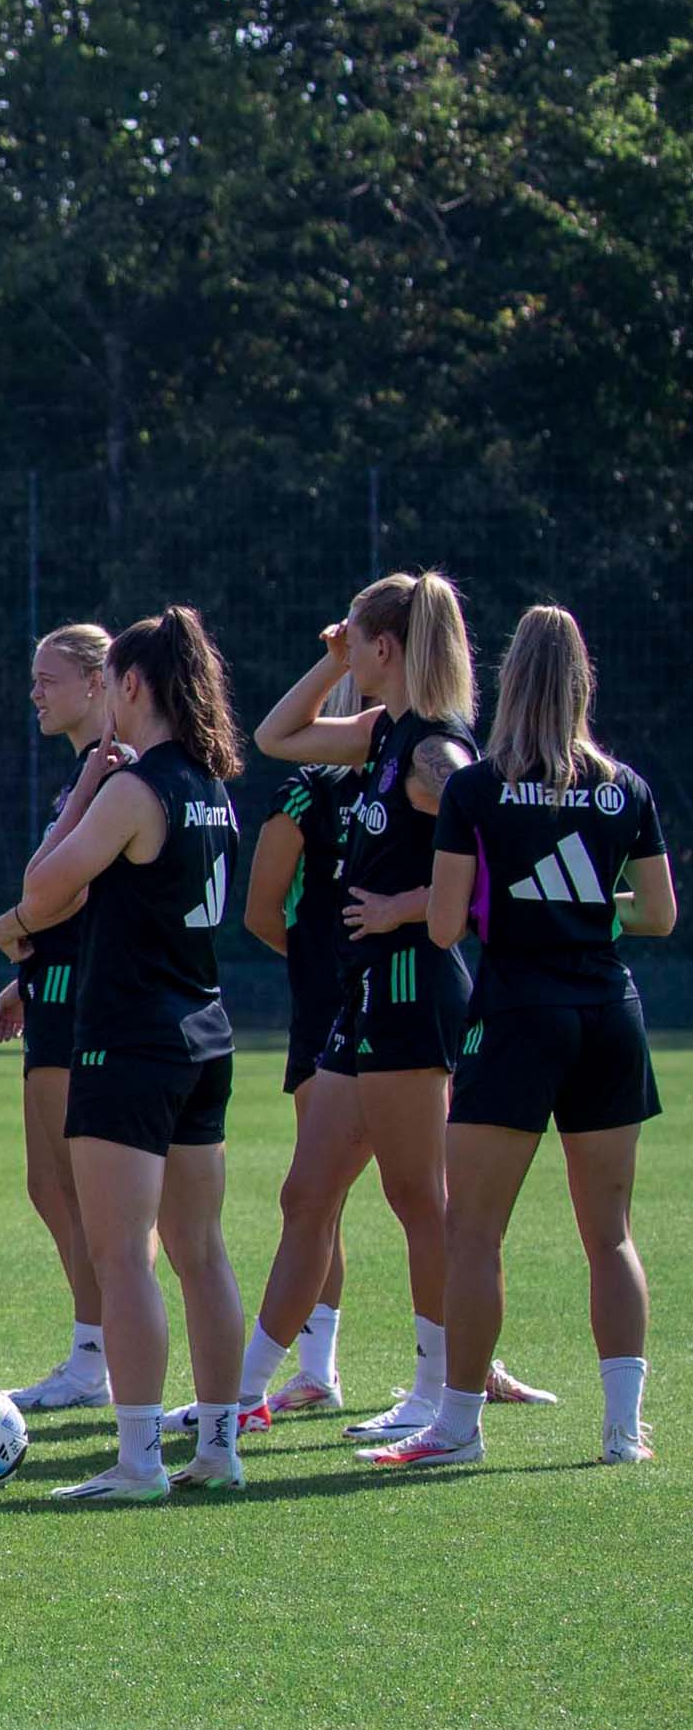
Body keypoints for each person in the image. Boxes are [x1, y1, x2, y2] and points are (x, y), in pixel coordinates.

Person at [253, 571, 548, 1440]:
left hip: (415, 987)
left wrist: (405, 905)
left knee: (419, 1198)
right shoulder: (384, 730)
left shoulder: (432, 751)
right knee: (307, 1192)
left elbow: (489, 856)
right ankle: (241, 1394)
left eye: (354, 635)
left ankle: (437, 1391)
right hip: (365, 991)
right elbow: (278, 736)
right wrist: (332, 660)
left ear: (389, 645)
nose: (344, 646)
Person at [374, 606, 672, 1467]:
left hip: (514, 1017)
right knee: (608, 1232)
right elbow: (655, 914)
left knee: (474, 1231)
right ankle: (622, 1433)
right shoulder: (625, 786)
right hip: (608, 1013)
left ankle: (459, 1426)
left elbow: (436, 927)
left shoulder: (475, 788)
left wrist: (504, 905)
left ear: (510, 681)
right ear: (583, 681)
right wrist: (583, 908)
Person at [11, 608, 254, 1501]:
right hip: (204, 1032)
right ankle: (220, 1446)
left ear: (132, 687)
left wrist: (83, 792)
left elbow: (41, 892)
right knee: (201, 1249)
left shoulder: (131, 788)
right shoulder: (213, 787)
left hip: (129, 1040)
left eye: (112, 681)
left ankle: (139, 1459)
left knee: (121, 1254)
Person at [0, 625, 121, 1411]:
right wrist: (23, 973)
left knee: (82, 1191)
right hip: (53, 985)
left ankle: (96, 1354)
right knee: (49, 1185)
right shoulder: (82, 771)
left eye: (48, 679)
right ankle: (93, 1349)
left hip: (86, 996)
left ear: (98, 681)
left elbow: (69, 890)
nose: (35, 693)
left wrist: (17, 925)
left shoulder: (111, 769)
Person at [228, 687, 366, 1422]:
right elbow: (259, 912)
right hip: (326, 1022)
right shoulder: (308, 790)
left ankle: (449, 1375)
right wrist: (320, 965)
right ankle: (316, 1369)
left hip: (408, 1009)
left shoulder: (432, 776)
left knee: (426, 1201)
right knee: (320, 1198)